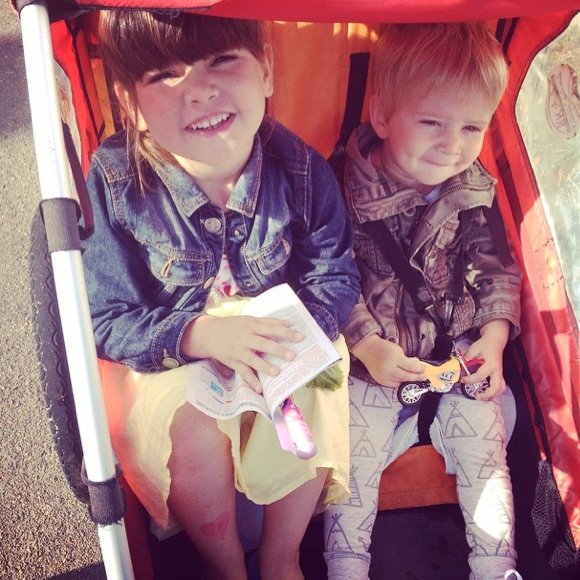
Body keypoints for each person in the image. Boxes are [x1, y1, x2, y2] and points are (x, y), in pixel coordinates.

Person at [82, 10, 360, 580]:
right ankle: (225, 565)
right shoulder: (117, 180)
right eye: (165, 75)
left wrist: (290, 336)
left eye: (222, 60)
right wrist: (200, 335)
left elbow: (333, 275)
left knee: (325, 367)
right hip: (173, 354)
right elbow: (106, 317)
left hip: (270, 337)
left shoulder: (301, 169)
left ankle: (282, 558)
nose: (199, 90)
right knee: (191, 419)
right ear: (130, 102)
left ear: (267, 71)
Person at [323, 22, 523, 580]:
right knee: (351, 461)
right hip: (371, 361)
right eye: (432, 122)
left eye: (472, 127)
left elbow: (494, 269)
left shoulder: (472, 188)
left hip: (453, 354)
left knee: (486, 452)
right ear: (383, 116)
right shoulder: (339, 188)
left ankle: (497, 567)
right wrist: (367, 347)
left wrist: (493, 339)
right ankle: (346, 568)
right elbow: (330, 279)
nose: (452, 144)